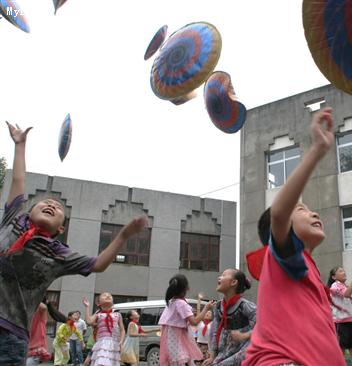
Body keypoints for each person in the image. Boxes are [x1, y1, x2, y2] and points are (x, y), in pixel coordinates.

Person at [0, 122, 148, 365]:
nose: (51, 205)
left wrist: (123, 235)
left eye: (58, 208)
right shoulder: (13, 219)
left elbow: (98, 264)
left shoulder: (58, 253)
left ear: (61, 228)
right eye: (45, 202)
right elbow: (18, 180)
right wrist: (20, 145)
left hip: (11, 334)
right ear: (30, 209)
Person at [243, 108, 345, 366]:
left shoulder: (305, 266)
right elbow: (278, 214)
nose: (313, 213)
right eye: (301, 209)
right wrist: (317, 150)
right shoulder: (284, 257)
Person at [203, 269, 255, 366]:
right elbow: (215, 331)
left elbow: (262, 326)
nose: (219, 277)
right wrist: (212, 355)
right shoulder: (218, 306)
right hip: (224, 352)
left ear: (234, 282)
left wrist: (244, 335)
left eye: (223, 275)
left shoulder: (245, 306)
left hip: (242, 352)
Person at [159, 274, 214, 366]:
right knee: (183, 360)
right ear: (186, 288)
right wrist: (206, 308)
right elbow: (194, 322)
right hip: (178, 340)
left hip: (171, 341)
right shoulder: (181, 303)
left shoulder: (171, 302)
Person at [327, 266, 352, 366]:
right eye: (340, 271)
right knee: (340, 359)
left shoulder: (349, 289)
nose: (344, 272)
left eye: (344, 270)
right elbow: (346, 294)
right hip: (341, 324)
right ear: (334, 277)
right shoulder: (335, 286)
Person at [83, 293, 125, 366]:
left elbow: (122, 330)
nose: (108, 296)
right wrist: (87, 307)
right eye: (104, 295)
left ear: (113, 302)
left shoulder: (117, 315)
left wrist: (121, 341)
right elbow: (89, 321)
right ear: (99, 303)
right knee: (102, 361)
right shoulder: (98, 315)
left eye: (110, 296)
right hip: (102, 343)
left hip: (114, 343)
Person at [195, 293, 213, 362]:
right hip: (199, 344)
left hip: (208, 346)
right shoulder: (200, 322)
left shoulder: (212, 324)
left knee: (206, 362)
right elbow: (198, 311)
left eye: (210, 313)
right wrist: (199, 300)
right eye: (207, 313)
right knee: (198, 362)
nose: (208, 313)